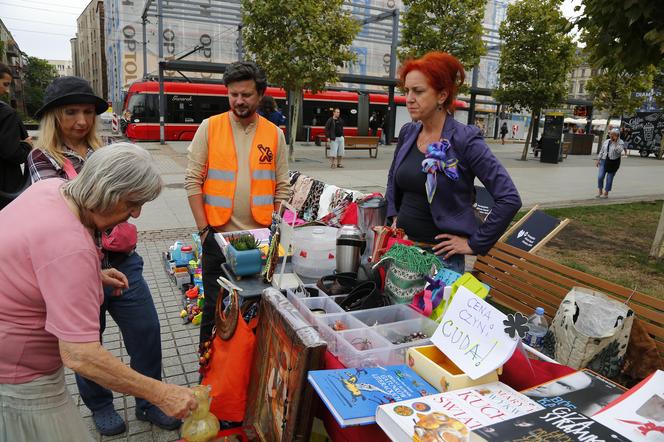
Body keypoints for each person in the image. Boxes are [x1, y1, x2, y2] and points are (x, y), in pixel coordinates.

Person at [0, 144, 197, 442]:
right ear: (110, 192)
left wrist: (92, 274)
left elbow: (34, 259)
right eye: (134, 202)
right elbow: (80, 355)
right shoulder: (70, 246)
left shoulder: (54, 189)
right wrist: (162, 393)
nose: (136, 213)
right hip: (20, 381)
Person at [27, 76, 179, 436]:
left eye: (88, 113)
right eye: (71, 112)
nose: (82, 121)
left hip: (125, 261)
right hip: (76, 267)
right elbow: (66, 216)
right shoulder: (41, 158)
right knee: (87, 342)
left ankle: (150, 400)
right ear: (52, 117)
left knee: (146, 331)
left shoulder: (105, 148)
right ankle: (100, 405)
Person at [184, 61, 290, 350]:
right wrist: (204, 230)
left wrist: (275, 232)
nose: (239, 101)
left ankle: (246, 373)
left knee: (256, 309)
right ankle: (207, 376)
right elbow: (192, 181)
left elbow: (283, 187)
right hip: (217, 237)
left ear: (260, 95)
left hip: (260, 241)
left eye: (246, 95)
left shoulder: (274, 134)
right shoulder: (210, 128)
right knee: (214, 311)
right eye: (233, 95)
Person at [386, 52, 521, 273]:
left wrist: (474, 243)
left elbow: (509, 198)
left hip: (440, 262)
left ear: (442, 96)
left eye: (418, 91)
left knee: (431, 310)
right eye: (407, 91)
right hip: (403, 249)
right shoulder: (408, 132)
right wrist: (393, 214)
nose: (409, 98)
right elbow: (393, 178)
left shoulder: (465, 139)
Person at [0, 63, 32, 210]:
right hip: (5, 186)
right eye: (5, 84)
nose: (6, 90)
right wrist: (26, 145)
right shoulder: (6, 113)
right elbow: (12, 153)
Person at [595, 127, 625, 199]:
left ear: (618, 136)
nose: (612, 136)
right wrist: (598, 159)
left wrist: (615, 142)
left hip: (613, 162)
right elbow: (602, 151)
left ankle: (606, 192)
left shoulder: (620, 143)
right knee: (600, 177)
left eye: (614, 134)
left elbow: (619, 151)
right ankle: (600, 191)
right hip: (603, 161)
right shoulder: (607, 141)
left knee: (609, 178)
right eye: (611, 134)